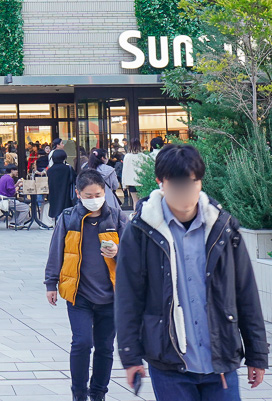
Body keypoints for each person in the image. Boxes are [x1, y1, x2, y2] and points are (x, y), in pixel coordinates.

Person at [115, 144, 268, 400]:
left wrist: (257, 354)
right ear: (160, 183)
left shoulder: (223, 228)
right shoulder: (141, 231)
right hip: (169, 362)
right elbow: (128, 296)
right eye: (176, 184)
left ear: (199, 182)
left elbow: (245, 292)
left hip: (220, 360)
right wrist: (130, 356)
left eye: (191, 182)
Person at [45, 168, 127, 401]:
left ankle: (98, 392)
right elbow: (56, 252)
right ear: (78, 194)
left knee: (105, 347)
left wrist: (118, 251)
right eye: (89, 196)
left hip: (111, 296)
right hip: (79, 293)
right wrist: (51, 283)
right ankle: (79, 393)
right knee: (82, 342)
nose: (94, 200)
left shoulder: (118, 218)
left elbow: (134, 255)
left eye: (98, 194)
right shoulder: (69, 218)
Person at [84, 148, 124, 217]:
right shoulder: (110, 170)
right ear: (103, 158)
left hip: (93, 199)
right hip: (108, 198)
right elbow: (115, 185)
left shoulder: (88, 171)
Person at [46, 148, 77, 220]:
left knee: (57, 214)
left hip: (54, 195)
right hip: (66, 195)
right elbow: (75, 180)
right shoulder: (68, 169)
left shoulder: (50, 170)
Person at [121, 139, 147, 207]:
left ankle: (135, 216)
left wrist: (124, 184)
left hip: (131, 182)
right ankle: (141, 216)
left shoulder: (127, 156)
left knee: (135, 201)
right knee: (142, 202)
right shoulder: (144, 156)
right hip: (142, 182)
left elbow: (125, 170)